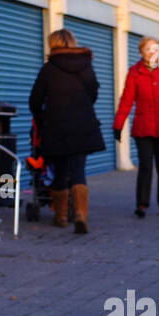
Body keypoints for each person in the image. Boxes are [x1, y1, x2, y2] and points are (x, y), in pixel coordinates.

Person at [29, 29, 105, 233]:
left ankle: (61, 217)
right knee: (79, 171)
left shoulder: (49, 69)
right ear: (73, 42)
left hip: (57, 126)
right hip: (82, 125)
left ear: (52, 44)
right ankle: (80, 215)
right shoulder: (86, 66)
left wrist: (41, 116)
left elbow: (35, 100)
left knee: (60, 172)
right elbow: (93, 93)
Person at [113, 37, 159, 218]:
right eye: (148, 49)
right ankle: (142, 204)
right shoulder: (134, 73)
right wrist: (118, 124)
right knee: (145, 166)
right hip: (144, 128)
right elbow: (127, 99)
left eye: (155, 48)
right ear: (141, 52)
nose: (152, 52)